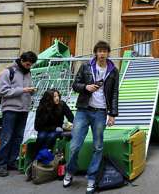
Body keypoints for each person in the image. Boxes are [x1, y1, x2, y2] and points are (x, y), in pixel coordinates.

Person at [63, 41, 119, 194]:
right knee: (75, 145)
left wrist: (112, 114)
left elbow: (114, 94)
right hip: (83, 110)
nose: (102, 53)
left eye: (105, 51)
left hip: (101, 112)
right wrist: (85, 87)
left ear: (108, 53)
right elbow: (75, 85)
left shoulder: (113, 71)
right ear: (95, 53)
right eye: (99, 51)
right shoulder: (86, 66)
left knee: (98, 146)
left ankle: (92, 178)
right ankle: (70, 171)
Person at [0, 51, 38, 177]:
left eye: (30, 65)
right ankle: (1, 165)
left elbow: (26, 89)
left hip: (24, 109)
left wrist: (31, 91)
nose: (28, 67)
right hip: (10, 109)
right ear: (21, 60)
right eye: (26, 64)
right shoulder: (8, 72)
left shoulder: (28, 72)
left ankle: (11, 162)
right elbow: (2, 91)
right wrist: (23, 90)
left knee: (18, 137)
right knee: (6, 137)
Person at [34, 89, 74, 154]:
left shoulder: (62, 104)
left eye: (58, 96)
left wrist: (71, 125)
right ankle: (38, 156)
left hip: (57, 129)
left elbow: (70, 117)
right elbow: (37, 126)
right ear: (49, 98)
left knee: (51, 136)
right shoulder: (42, 107)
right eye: (54, 97)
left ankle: (43, 156)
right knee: (41, 137)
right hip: (44, 129)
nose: (57, 98)